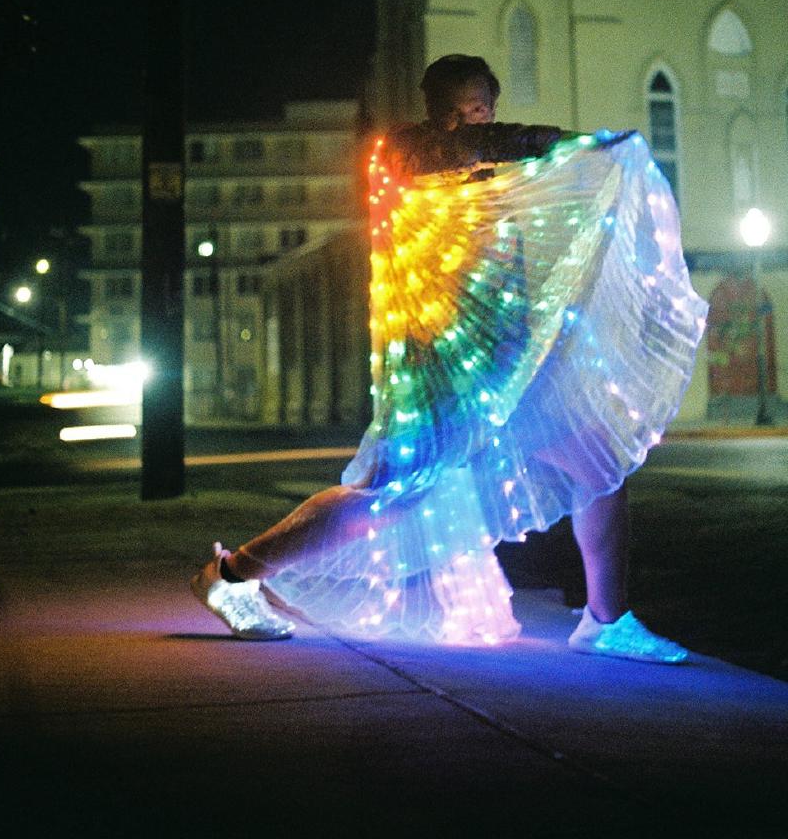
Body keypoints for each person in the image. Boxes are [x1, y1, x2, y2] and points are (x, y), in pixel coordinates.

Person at [192, 55, 707, 661]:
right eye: (452, 113)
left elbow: (509, 175)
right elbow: (482, 147)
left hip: (509, 367)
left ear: (491, 106)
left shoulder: (496, 177)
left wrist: (595, 159)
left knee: (599, 465)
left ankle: (607, 620)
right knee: (384, 496)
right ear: (431, 113)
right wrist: (579, 143)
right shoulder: (403, 157)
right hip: (440, 372)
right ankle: (229, 575)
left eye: (478, 111)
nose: (466, 125)